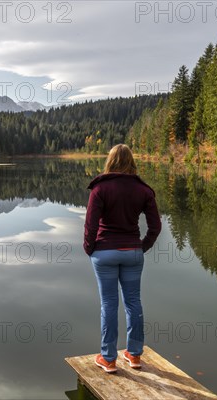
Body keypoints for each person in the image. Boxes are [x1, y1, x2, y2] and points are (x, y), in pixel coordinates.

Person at [84, 144, 161, 373]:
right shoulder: (143, 190)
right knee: (133, 303)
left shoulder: (100, 189)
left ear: (110, 161)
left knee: (109, 304)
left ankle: (108, 359)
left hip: (104, 252)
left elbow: (90, 225)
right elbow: (155, 227)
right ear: (132, 161)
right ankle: (135, 355)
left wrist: (91, 249)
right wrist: (141, 247)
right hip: (132, 253)